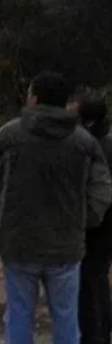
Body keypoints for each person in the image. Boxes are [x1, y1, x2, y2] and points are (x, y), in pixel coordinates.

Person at [0, 72, 112, 344]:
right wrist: (85, 220)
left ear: (34, 99)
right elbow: (102, 190)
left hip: (18, 242)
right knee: (65, 316)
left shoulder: (8, 135)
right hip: (66, 245)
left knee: (19, 314)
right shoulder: (84, 142)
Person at [75, 99, 112, 344]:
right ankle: (104, 330)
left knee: (89, 283)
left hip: (95, 224)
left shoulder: (90, 147)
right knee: (99, 279)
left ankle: (93, 336)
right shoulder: (106, 141)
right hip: (107, 225)